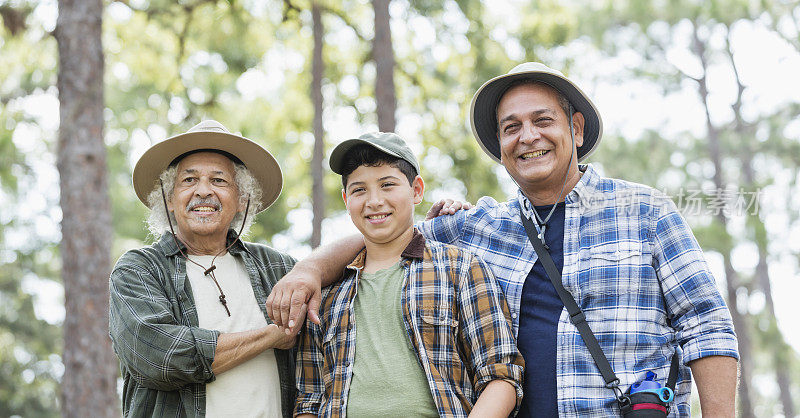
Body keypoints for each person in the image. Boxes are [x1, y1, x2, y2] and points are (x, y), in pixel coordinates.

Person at [267, 63, 740, 417]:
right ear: (500, 147)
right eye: (511, 128)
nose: (527, 136)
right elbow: (382, 237)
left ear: (575, 129)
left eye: (543, 121)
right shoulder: (478, 228)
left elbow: (707, 326)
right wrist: (308, 271)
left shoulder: (645, 210)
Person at [294, 132, 524, 417]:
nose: (374, 201)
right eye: (359, 190)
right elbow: (310, 397)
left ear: (416, 190)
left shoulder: (460, 269)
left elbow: (501, 375)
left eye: (387, 185)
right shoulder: (328, 293)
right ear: (345, 199)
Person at [109, 120, 298, 417]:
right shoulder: (140, 269)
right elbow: (162, 357)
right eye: (189, 180)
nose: (203, 191)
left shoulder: (278, 267)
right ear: (169, 200)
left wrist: (315, 268)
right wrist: (273, 336)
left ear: (242, 199)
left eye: (219, 180)